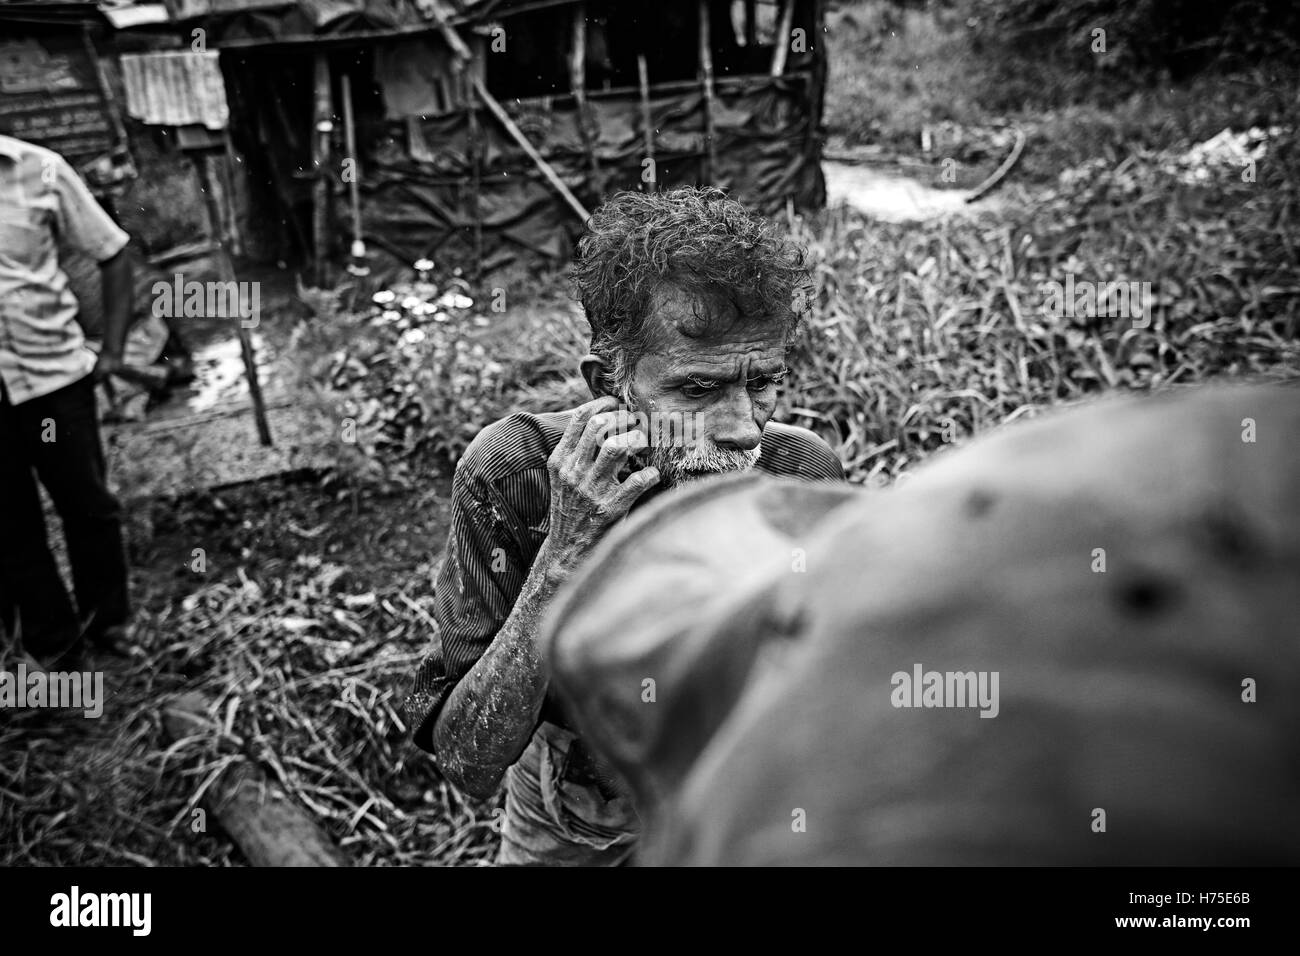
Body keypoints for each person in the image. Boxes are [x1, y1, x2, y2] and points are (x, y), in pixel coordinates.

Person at [404, 186, 845, 864]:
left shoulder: (799, 472)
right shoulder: (515, 474)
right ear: (609, 382)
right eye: (696, 390)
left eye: (762, 382)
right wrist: (566, 551)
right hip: (570, 810)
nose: (740, 428)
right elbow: (468, 764)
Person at [0, 134, 133, 668]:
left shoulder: (41, 169)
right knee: (9, 524)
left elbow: (113, 252)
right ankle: (53, 646)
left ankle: (110, 623)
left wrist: (116, 351)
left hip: (54, 382)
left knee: (89, 507)